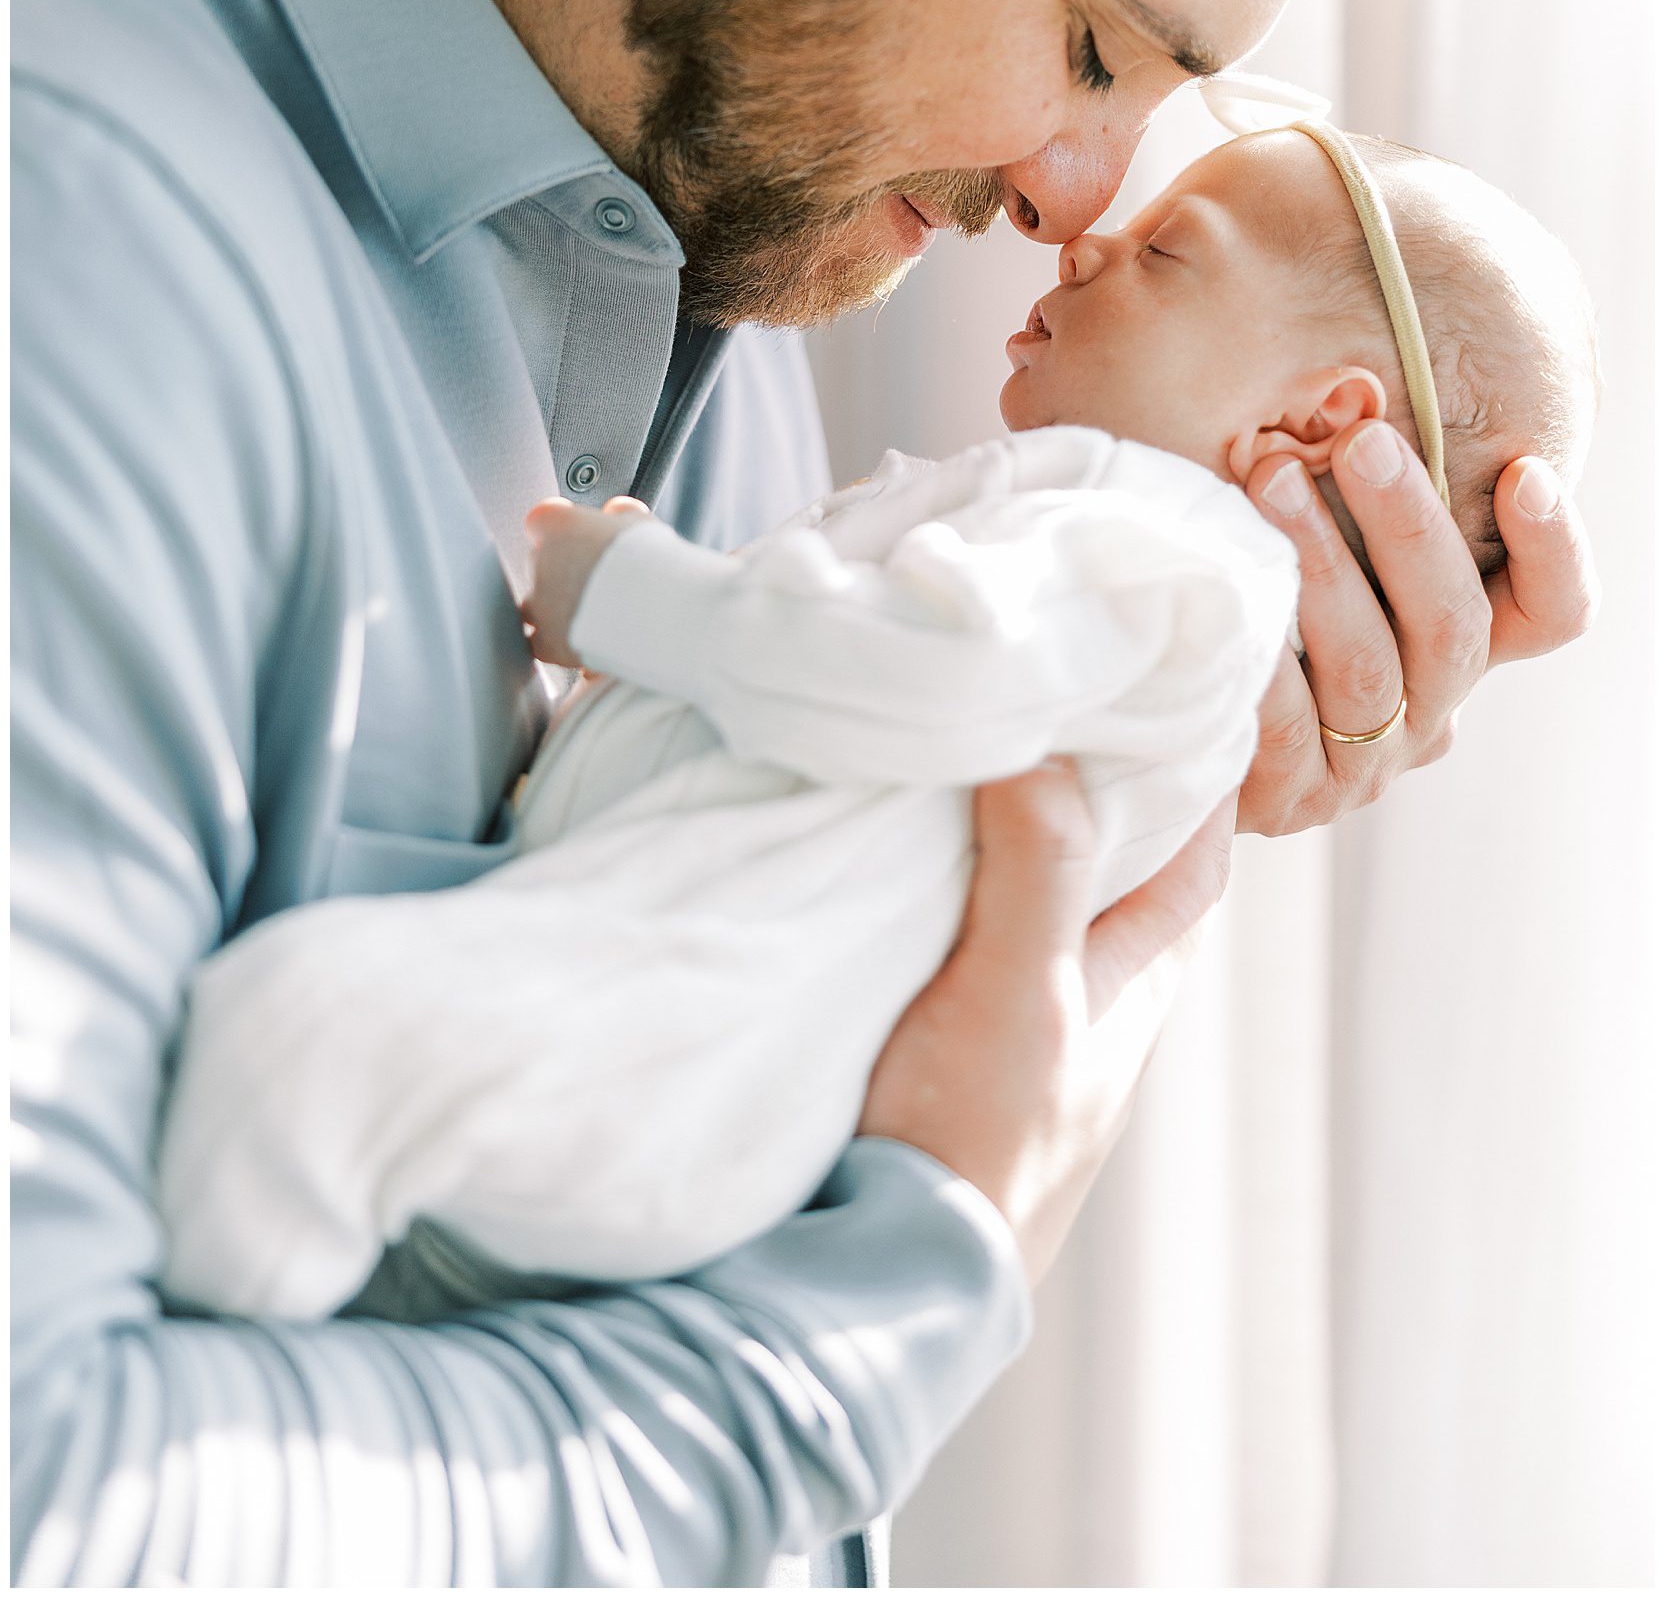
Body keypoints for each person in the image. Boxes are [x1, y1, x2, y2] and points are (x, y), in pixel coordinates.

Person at [10, 0, 1596, 1589]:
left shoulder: (705, 248)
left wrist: (1068, 834)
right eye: (1092, 39)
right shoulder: (61, 222)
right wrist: (892, 1287)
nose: (1089, 189)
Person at [148, 103, 1597, 1325]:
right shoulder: (1106, 557)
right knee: (327, 1125)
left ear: (1308, 428)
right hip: (646, 1022)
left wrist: (638, 598)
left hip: (671, 1038)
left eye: (1165, 252)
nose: (1082, 230)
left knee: (297, 1047)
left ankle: (161, 1413)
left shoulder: (1169, 555)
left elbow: (911, 674)